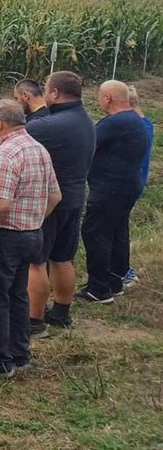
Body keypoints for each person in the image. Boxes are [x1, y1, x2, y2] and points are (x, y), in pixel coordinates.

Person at [0, 100, 60, 377]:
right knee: (17, 295)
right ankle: (19, 352)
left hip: (1, 236)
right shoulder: (37, 149)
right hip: (31, 234)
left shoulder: (5, 155)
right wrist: (33, 220)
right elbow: (55, 195)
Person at [25, 71, 95, 332]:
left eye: (45, 88)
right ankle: (62, 313)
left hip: (49, 202)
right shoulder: (85, 120)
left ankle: (34, 319)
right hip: (75, 197)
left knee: (36, 261)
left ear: (54, 93)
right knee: (63, 258)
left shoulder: (47, 125)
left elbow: (18, 136)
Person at [79, 80, 150, 303]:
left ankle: (98, 288)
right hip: (128, 185)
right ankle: (114, 280)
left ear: (107, 98)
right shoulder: (135, 119)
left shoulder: (116, 122)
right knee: (117, 232)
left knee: (95, 232)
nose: (99, 100)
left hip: (110, 188)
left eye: (100, 96)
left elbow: (87, 143)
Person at [117, 85, 154, 289]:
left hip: (126, 186)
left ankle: (123, 272)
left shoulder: (134, 128)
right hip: (135, 184)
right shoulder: (145, 124)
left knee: (118, 229)